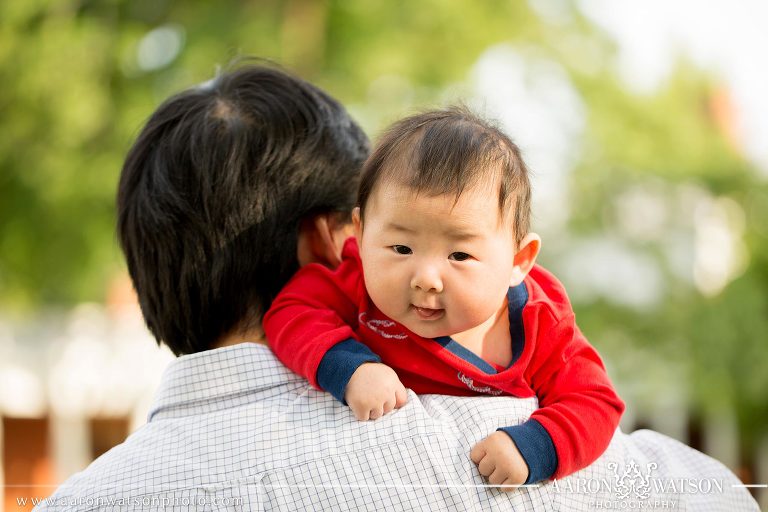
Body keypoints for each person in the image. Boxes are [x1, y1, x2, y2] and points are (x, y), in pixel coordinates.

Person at [35, 63, 758, 511]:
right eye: (398, 243)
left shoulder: (79, 502)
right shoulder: (614, 480)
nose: (426, 278)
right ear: (337, 242)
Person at [264, 107, 625, 488]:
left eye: (459, 256)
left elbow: (596, 402)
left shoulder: (540, 326)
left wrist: (535, 447)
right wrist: (347, 366)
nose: (426, 279)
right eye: (401, 248)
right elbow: (292, 311)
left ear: (518, 261)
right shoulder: (355, 279)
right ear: (361, 232)